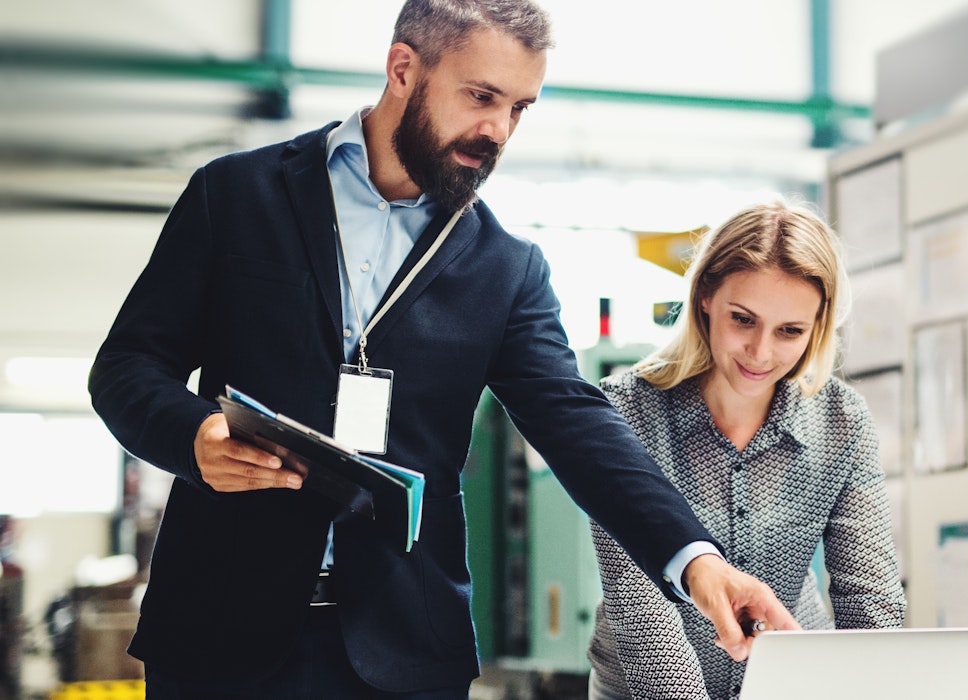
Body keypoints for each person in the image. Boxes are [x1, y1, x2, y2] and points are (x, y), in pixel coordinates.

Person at [87, 1, 796, 697]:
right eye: (482, 96)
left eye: (519, 108)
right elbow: (126, 367)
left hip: (403, 652)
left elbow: (579, 426)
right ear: (403, 69)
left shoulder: (505, 268)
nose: (498, 130)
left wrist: (698, 561)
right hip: (219, 632)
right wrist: (197, 437)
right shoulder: (236, 195)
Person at [585, 201, 907, 699]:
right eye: (743, 320)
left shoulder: (842, 423)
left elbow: (871, 599)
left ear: (817, 326)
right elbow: (644, 614)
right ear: (706, 297)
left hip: (789, 686)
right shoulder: (625, 412)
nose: (760, 352)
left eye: (790, 331)